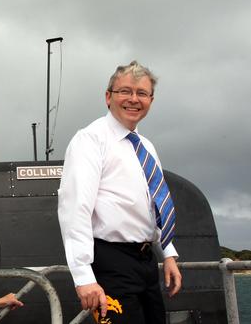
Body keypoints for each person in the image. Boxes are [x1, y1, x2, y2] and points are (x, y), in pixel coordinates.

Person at [57, 61, 182, 323]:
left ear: (151, 100)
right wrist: (83, 277)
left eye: (142, 93)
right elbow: (75, 209)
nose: (133, 99)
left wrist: (167, 253)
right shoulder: (90, 140)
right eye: (125, 91)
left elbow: (154, 206)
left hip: (146, 263)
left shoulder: (146, 147)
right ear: (108, 97)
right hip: (110, 262)